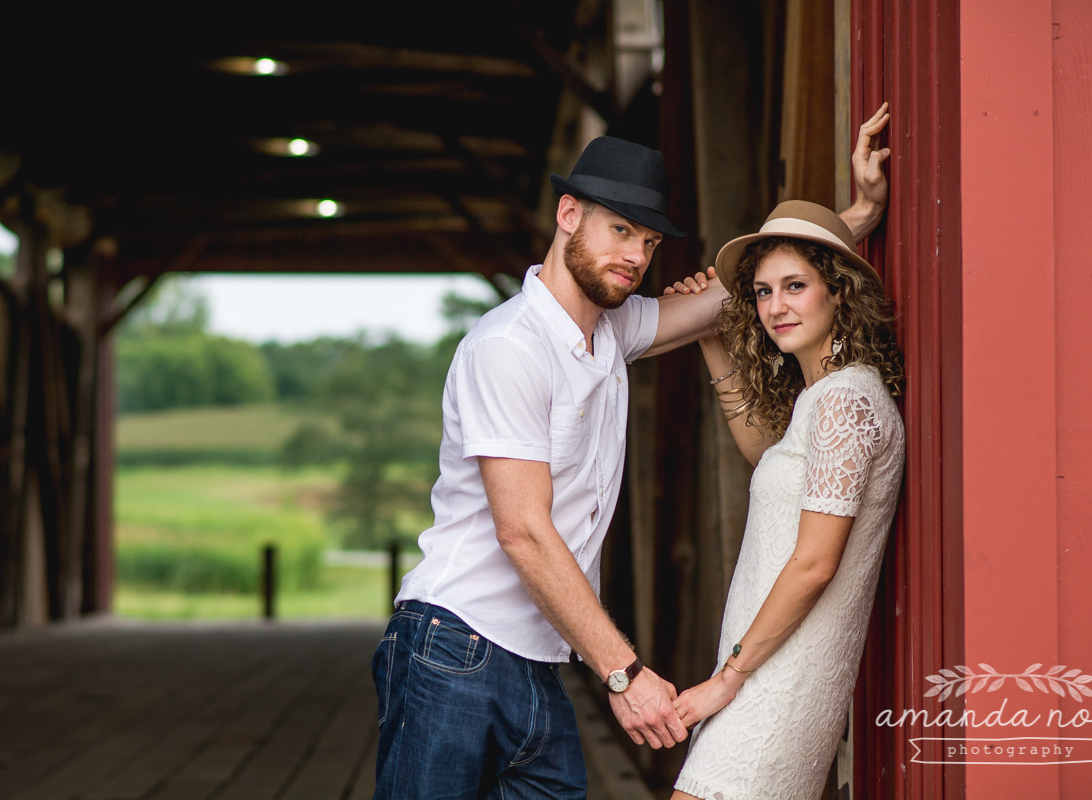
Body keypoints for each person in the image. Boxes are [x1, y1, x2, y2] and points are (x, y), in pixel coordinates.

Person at [372, 106, 891, 800]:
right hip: (456, 645)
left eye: (647, 242)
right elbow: (523, 531)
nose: (635, 258)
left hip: (539, 660)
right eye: (619, 231)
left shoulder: (610, 332)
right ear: (567, 216)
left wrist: (853, 217)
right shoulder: (510, 347)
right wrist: (624, 672)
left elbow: (754, 289)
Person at [661, 199, 906, 800]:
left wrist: (728, 680)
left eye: (795, 286)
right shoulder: (825, 398)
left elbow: (815, 562)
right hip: (767, 671)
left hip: (776, 682)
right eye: (765, 292)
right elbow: (768, 458)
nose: (776, 306)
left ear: (839, 292)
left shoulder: (845, 403)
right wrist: (713, 340)